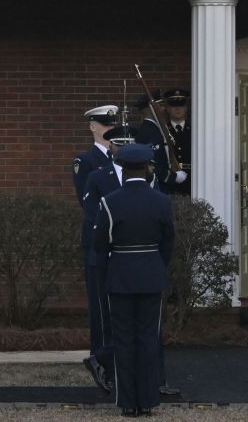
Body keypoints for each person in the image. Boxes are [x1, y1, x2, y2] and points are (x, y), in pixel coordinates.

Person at [99, 143, 175, 418]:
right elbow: (168, 244)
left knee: (123, 340)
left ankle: (128, 402)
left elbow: (100, 245)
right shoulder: (162, 202)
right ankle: (147, 401)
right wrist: (155, 266)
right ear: (147, 168)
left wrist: (112, 270)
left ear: (123, 168)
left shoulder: (110, 201)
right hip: (151, 275)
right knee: (147, 339)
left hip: (119, 275)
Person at [79, 123, 133, 393]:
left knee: (126, 314)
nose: (123, 149)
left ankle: (126, 368)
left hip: (129, 256)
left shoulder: (143, 176)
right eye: (119, 144)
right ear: (111, 147)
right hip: (103, 252)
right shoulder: (99, 176)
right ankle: (103, 365)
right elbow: (93, 215)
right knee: (102, 313)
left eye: (128, 145)